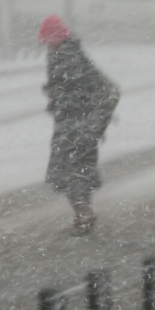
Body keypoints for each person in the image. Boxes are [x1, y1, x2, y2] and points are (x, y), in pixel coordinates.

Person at [38, 15, 120, 236]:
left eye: (48, 39)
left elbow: (77, 92)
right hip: (83, 123)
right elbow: (82, 87)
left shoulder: (65, 57)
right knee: (79, 169)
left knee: (71, 170)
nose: (46, 44)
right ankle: (83, 212)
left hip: (75, 124)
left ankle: (83, 214)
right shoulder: (72, 54)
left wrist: (56, 97)